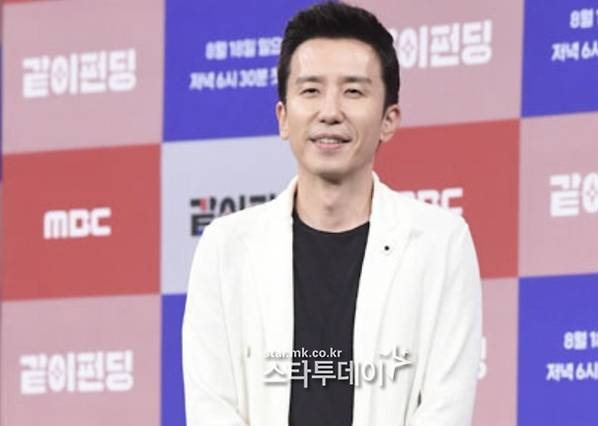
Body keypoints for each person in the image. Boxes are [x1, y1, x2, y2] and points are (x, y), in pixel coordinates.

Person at [182, 2, 482, 425]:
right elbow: (210, 405)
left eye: (353, 91)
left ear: (389, 119)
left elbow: (445, 406)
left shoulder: (441, 242)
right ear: (283, 117)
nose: (329, 112)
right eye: (310, 91)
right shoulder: (225, 246)